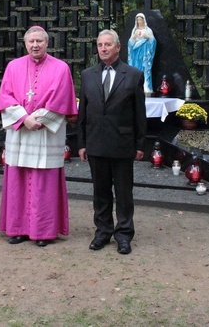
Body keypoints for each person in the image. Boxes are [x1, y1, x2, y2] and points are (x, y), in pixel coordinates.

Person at [0, 26, 78, 247]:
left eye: (39, 41)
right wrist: (24, 118)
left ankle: (43, 231)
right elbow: (5, 96)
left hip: (45, 133)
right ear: (25, 43)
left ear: (47, 43)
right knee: (18, 180)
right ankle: (18, 228)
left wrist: (38, 119)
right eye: (31, 41)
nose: (35, 45)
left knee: (44, 183)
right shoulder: (13, 67)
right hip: (21, 131)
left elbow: (62, 99)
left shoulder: (61, 69)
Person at [78, 29, 146, 255]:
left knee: (124, 193)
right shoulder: (87, 75)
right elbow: (83, 113)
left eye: (108, 44)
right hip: (96, 142)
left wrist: (139, 145)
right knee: (100, 191)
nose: (103, 49)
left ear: (118, 47)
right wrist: (81, 143)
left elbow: (139, 113)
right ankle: (103, 231)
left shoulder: (134, 74)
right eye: (100, 45)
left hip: (122, 143)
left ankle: (124, 234)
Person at [127, 13, 156, 94]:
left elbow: (153, 42)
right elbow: (130, 44)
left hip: (145, 54)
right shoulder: (135, 30)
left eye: (141, 19)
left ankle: (146, 88)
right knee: (135, 70)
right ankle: (135, 88)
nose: (139, 21)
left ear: (144, 20)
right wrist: (133, 38)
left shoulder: (148, 30)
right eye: (138, 20)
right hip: (136, 55)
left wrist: (148, 37)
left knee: (145, 70)